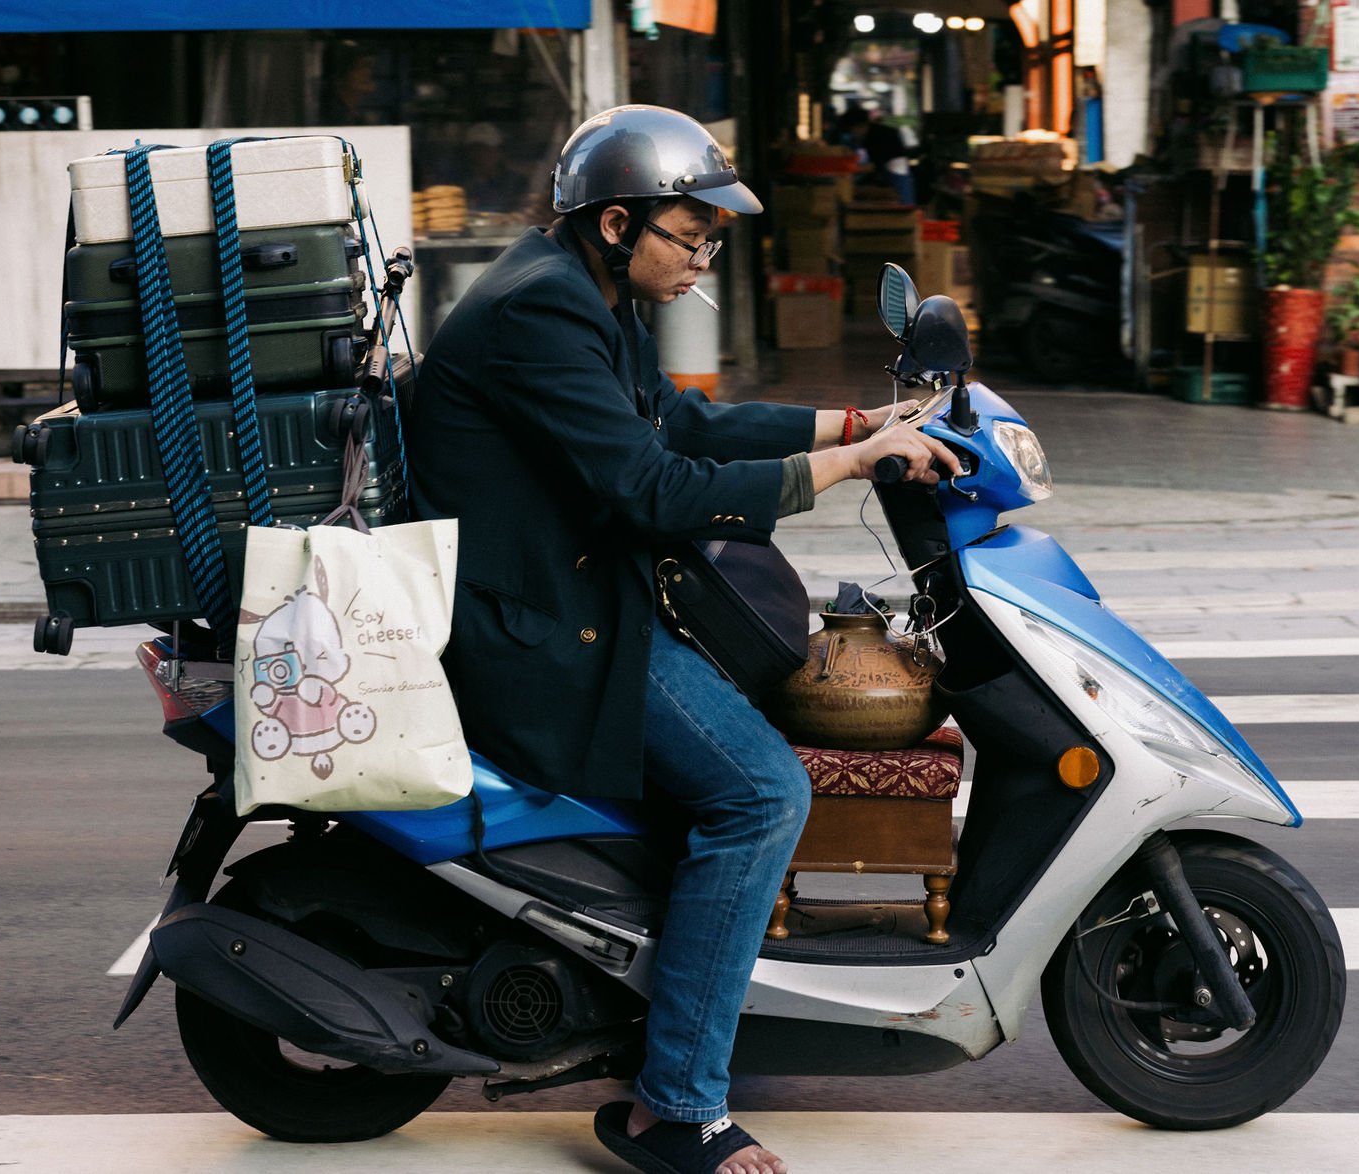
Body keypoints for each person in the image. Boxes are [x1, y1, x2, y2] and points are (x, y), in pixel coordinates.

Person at [411, 105, 959, 1174]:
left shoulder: (582, 290)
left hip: (575, 593)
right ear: (617, 223)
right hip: (539, 629)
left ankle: (679, 992)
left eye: (710, 235)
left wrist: (852, 424)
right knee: (763, 792)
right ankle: (677, 1106)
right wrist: (850, 468)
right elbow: (653, 487)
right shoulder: (543, 313)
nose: (703, 252)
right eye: (689, 231)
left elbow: (679, 421)